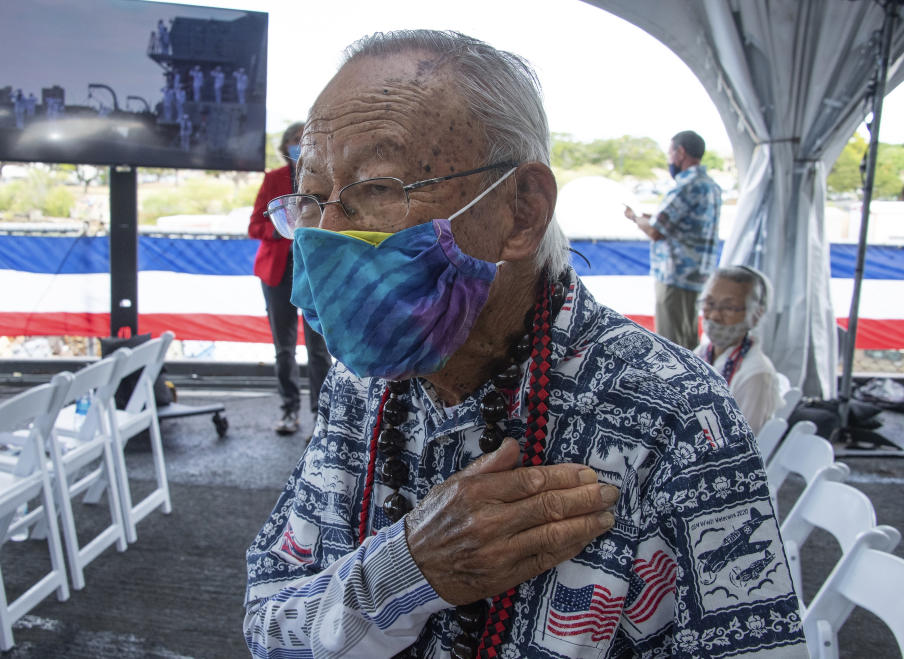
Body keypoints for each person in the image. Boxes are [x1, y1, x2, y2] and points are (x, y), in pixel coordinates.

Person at [244, 30, 806, 658]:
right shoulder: (360, 386)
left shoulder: (672, 413)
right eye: (311, 199)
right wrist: (403, 573)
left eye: (379, 187)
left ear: (521, 211)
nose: (325, 239)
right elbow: (268, 619)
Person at [247, 123, 332, 435]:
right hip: (277, 273)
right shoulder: (272, 180)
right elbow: (254, 226)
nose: (298, 145)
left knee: (318, 349)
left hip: (314, 271)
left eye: (303, 140)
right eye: (294, 140)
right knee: (284, 348)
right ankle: (289, 411)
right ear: (285, 146)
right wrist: (281, 228)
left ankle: (321, 418)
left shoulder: (326, 177)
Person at [623, 130, 722, 351]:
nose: (669, 159)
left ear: (681, 152)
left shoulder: (686, 185)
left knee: (671, 346)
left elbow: (656, 231)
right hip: (697, 275)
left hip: (675, 276)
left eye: (670, 153)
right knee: (689, 342)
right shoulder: (710, 186)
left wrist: (635, 218)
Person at [695, 266, 784, 434]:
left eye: (729, 308)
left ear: (756, 315)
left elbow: (743, 446)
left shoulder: (756, 374)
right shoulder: (702, 353)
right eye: (709, 304)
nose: (714, 315)